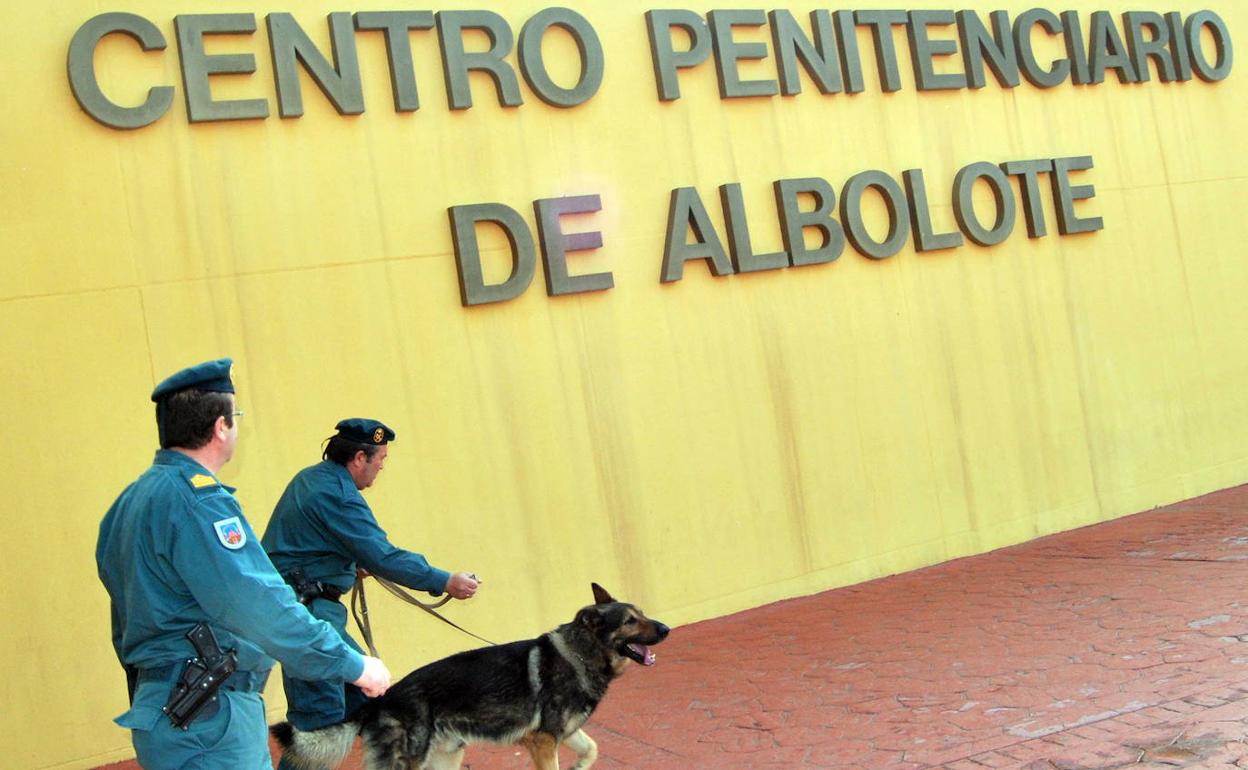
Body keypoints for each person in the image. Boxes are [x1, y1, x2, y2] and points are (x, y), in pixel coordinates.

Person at [96, 359, 392, 770]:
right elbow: (259, 604)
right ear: (221, 426)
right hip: (209, 718)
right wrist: (353, 664)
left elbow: (123, 619)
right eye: (235, 416)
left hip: (161, 709)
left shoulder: (129, 503)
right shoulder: (199, 502)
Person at [261, 418, 479, 753]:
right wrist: (444, 581)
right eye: (381, 459)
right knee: (318, 726)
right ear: (360, 458)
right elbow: (383, 556)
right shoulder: (337, 495)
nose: (381, 467)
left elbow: (309, 546)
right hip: (310, 616)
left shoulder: (313, 479)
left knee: (370, 699)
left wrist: (349, 565)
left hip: (305, 610)